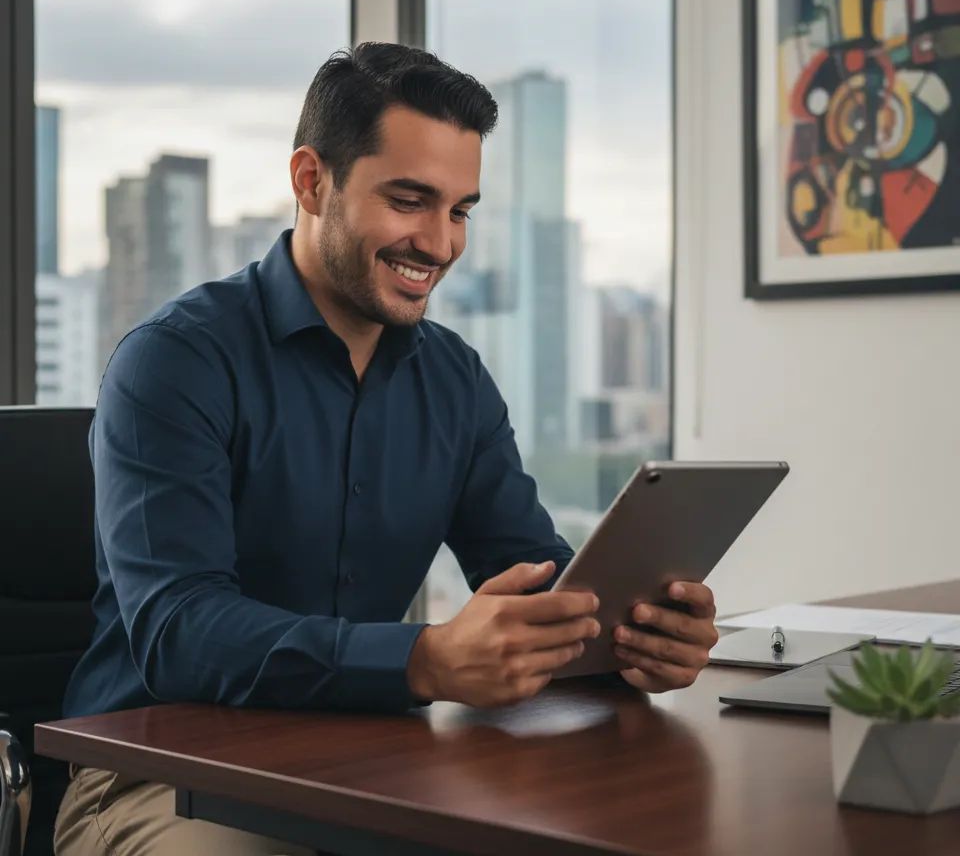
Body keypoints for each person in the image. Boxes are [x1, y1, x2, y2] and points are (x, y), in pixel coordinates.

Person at [55, 43, 719, 856]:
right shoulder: (175, 361)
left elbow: (537, 580)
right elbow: (179, 632)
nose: (439, 244)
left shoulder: (455, 381)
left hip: (371, 761)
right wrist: (423, 660)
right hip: (155, 773)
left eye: (460, 210)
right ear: (311, 181)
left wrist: (632, 638)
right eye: (410, 201)